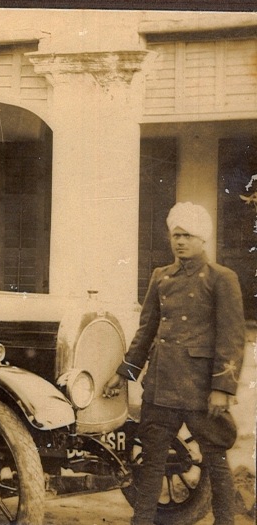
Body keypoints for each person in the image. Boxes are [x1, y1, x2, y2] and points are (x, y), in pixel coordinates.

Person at [103, 202, 245, 525]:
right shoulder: (161, 277)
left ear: (203, 239)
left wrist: (222, 389)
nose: (180, 241)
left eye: (188, 235)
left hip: (200, 392)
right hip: (161, 387)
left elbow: (232, 339)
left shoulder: (221, 279)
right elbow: (146, 330)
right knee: (151, 464)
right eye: (175, 235)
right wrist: (125, 372)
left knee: (216, 462)